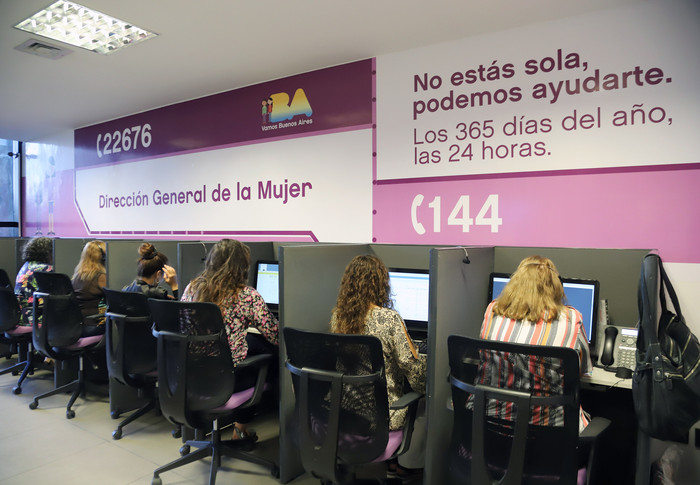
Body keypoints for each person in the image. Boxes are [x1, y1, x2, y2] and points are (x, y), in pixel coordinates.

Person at [330, 254, 427, 478]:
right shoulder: (389, 319)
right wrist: (421, 360)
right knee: (424, 398)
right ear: (380, 284)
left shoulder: (338, 317)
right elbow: (412, 369)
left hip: (347, 410)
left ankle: (392, 464)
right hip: (383, 416)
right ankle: (404, 465)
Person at [479, 255, 593, 433]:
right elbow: (580, 370)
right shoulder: (572, 318)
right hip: (548, 431)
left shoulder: (493, 310)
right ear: (556, 285)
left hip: (491, 424)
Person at [181, 238, 279, 440]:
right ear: (241, 266)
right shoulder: (246, 296)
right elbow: (275, 336)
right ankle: (240, 431)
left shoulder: (192, 288)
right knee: (269, 357)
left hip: (193, 376)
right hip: (228, 381)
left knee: (252, 345)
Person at [14, 236, 53, 327]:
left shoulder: (26, 266)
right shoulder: (46, 269)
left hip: (19, 316)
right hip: (35, 318)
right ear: (48, 252)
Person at [71, 240, 107, 337]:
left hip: (77, 326)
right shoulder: (101, 277)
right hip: (94, 325)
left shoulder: (77, 276)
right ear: (103, 258)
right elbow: (114, 299)